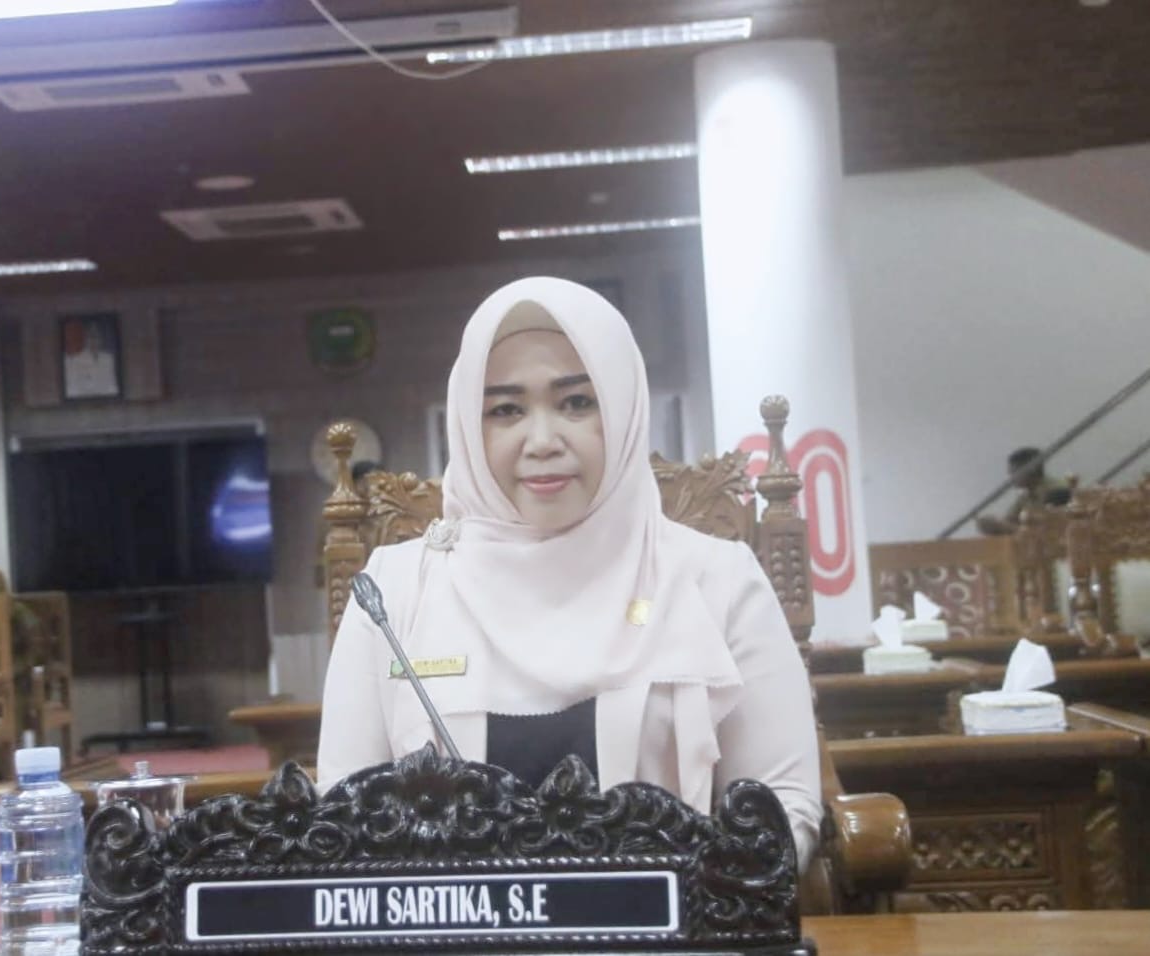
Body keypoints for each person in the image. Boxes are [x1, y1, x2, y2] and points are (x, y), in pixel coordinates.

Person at [317, 276, 821, 868]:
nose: (542, 441)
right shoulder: (393, 592)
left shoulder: (717, 582)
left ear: (624, 410)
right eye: (506, 410)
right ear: (469, 428)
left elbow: (783, 810)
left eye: (577, 403)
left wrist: (696, 895)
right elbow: (340, 821)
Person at [976, 447, 1071, 536]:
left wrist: (1004, 527)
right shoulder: (1026, 495)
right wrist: (993, 526)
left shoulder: (1058, 492)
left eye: (1014, 472)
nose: (1011, 478)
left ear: (1032, 469)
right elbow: (1010, 521)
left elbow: (1049, 534)